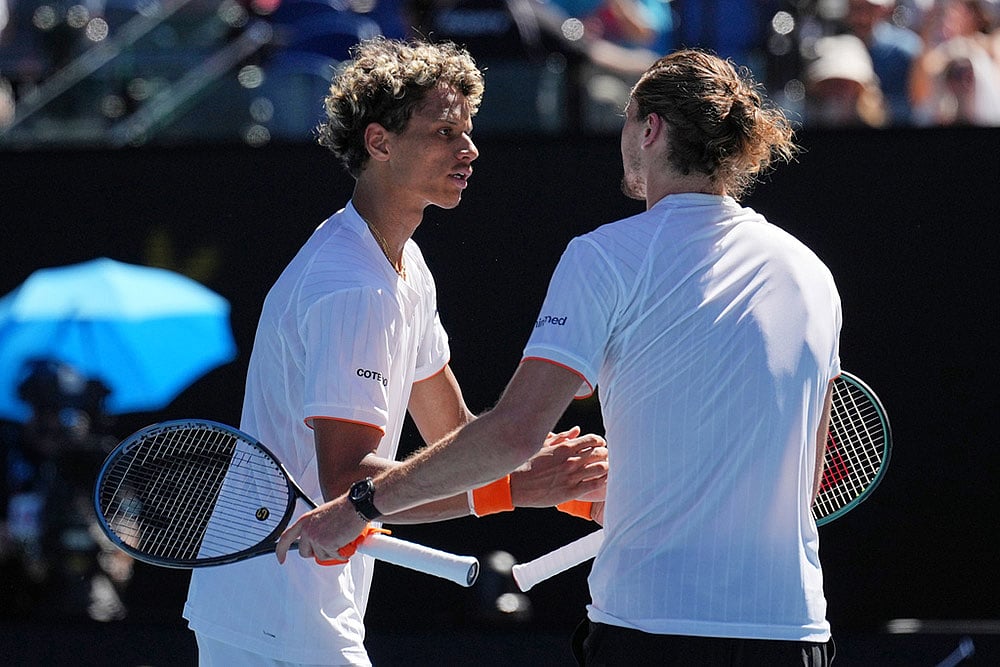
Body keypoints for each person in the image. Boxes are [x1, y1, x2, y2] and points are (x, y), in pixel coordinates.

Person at [278, 47, 842, 666]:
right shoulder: (812, 273)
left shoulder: (604, 256)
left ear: (649, 128)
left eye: (627, 120)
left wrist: (356, 509)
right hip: (795, 634)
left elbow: (512, 434)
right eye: (446, 132)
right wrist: (576, 487)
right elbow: (805, 480)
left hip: (651, 631)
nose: (468, 150)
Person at [182, 36, 608, 666]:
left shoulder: (405, 264)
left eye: (467, 130)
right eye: (443, 131)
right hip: (275, 612)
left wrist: (565, 476)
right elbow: (349, 484)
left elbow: (453, 433)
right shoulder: (353, 288)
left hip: (291, 610)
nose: (468, 149)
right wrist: (518, 487)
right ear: (379, 142)